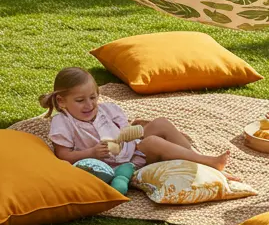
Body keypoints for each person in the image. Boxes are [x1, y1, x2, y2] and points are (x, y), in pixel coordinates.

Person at [38, 66, 231, 171]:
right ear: (62, 102)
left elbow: (123, 133)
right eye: (80, 100)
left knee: (161, 123)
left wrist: (136, 128)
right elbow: (63, 156)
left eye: (93, 97)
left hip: (130, 147)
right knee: (154, 142)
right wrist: (91, 153)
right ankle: (208, 162)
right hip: (122, 164)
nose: (89, 105)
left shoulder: (107, 110)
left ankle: (197, 159)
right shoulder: (63, 123)